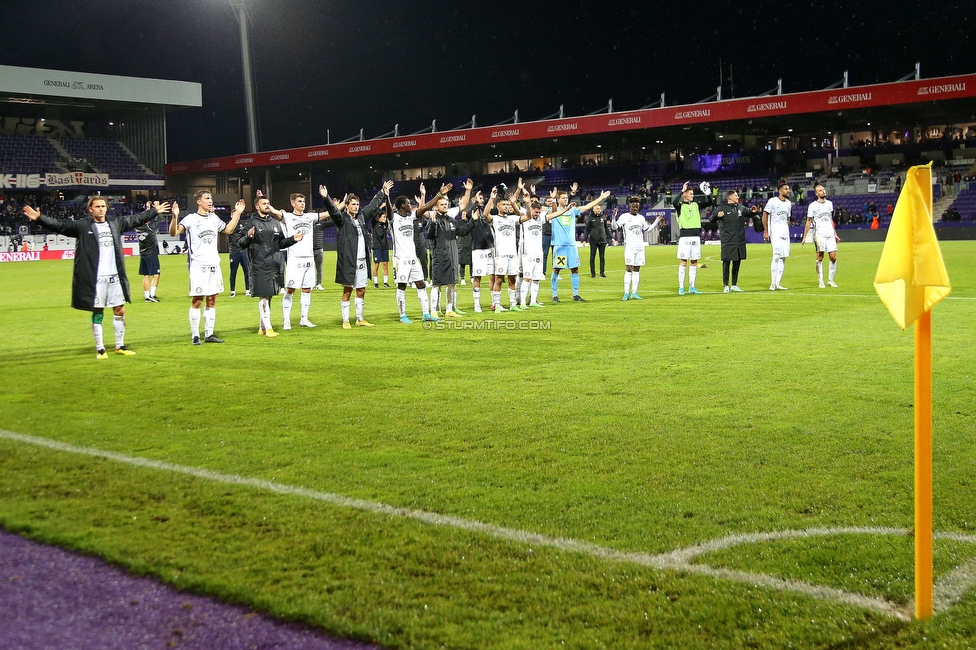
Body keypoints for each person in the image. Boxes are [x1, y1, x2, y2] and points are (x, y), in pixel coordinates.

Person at [23, 197, 170, 358]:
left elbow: (135, 219)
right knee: (98, 311)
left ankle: (120, 345)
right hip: (96, 277)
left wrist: (154, 211)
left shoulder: (115, 223)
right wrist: (40, 219)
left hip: (115, 275)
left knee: (120, 310)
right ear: (90, 209)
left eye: (103, 206)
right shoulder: (82, 225)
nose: (101, 209)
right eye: (97, 206)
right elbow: (61, 226)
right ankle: (100, 349)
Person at [169, 191, 245, 344]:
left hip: (214, 265)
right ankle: (195, 335)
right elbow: (173, 233)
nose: (210, 201)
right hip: (198, 265)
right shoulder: (190, 219)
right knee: (197, 300)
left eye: (211, 198)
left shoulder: (214, 218)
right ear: (198, 201)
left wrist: (237, 213)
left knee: (212, 299)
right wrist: (174, 217)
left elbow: (229, 230)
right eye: (207, 198)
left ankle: (209, 334)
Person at [322, 181, 392, 328]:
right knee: (347, 290)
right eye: (353, 204)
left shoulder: (361, 217)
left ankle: (360, 319)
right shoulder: (342, 220)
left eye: (357, 204)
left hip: (362, 261)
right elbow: (333, 211)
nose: (356, 207)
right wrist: (326, 198)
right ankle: (345, 320)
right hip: (348, 261)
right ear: (347, 205)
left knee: (361, 290)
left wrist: (382, 192)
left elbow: (372, 206)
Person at [239, 193, 304, 337]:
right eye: (264, 204)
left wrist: (293, 239)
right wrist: (248, 236)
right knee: (264, 295)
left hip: (274, 264)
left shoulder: (275, 223)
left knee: (269, 296)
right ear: (257, 207)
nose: (267, 206)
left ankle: (262, 327)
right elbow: (240, 243)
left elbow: (280, 243)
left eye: (268, 203)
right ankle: (268, 328)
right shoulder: (251, 223)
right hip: (259, 264)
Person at [280, 189, 335, 329]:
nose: (302, 203)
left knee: (307, 290)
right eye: (299, 201)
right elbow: (275, 213)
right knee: (290, 289)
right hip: (294, 258)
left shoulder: (309, 217)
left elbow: (329, 213)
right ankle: (286, 320)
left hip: (309, 258)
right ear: (292, 203)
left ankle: (304, 319)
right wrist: (268, 206)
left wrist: (338, 204)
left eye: (304, 201)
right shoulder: (287, 217)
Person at [420, 182, 474, 318]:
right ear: (436, 207)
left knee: (451, 283)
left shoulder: (451, 219)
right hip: (439, 256)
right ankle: (433, 310)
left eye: (446, 204)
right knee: (436, 285)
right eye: (442, 204)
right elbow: (430, 233)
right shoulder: (433, 218)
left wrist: (472, 221)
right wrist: (423, 195)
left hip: (452, 256)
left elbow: (461, 231)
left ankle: (449, 309)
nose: (445, 206)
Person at [550, 187, 610, 303]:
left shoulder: (572, 211)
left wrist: (601, 198)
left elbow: (587, 207)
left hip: (572, 246)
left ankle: (576, 294)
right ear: (558, 200)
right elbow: (553, 213)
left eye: (566, 198)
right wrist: (552, 200)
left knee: (575, 269)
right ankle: (554, 295)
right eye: (563, 198)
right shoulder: (554, 211)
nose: (565, 200)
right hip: (560, 246)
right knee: (556, 270)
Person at [388, 191, 435, 324]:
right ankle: (402, 315)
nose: (411, 205)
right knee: (402, 286)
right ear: (403, 206)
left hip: (413, 258)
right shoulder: (393, 218)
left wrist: (439, 195)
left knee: (421, 284)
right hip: (401, 259)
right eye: (408, 203)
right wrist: (386, 196)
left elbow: (425, 207)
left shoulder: (410, 217)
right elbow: (388, 210)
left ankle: (426, 314)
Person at [485, 183, 532, 312]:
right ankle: (497, 305)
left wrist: (527, 203)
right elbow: (485, 215)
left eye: (507, 205)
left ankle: (512, 304)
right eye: (504, 205)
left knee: (513, 279)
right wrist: (491, 198)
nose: (506, 206)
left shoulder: (512, 219)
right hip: (500, 254)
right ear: (498, 206)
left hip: (513, 254)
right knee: (499, 279)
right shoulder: (494, 219)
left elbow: (528, 217)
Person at [616, 200, 660, 300]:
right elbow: (615, 226)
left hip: (640, 246)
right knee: (628, 269)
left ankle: (634, 293)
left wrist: (657, 221)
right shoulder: (624, 217)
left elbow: (647, 229)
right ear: (630, 206)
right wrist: (614, 217)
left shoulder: (641, 218)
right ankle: (626, 293)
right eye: (633, 206)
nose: (635, 208)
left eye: (637, 207)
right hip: (630, 247)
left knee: (636, 269)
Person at [712, 190, 754, 292]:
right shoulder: (722, 208)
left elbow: (749, 212)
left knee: (737, 261)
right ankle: (726, 285)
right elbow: (711, 219)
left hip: (739, 240)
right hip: (727, 240)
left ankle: (734, 284)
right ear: (730, 197)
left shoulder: (740, 207)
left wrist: (754, 211)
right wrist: (717, 216)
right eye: (736, 196)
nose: (738, 197)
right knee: (726, 262)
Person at [802, 183, 840, 288]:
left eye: (823, 189)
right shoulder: (812, 206)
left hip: (830, 234)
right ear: (816, 193)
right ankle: (821, 281)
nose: (823, 191)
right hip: (820, 234)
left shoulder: (829, 204)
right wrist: (805, 236)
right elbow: (809, 221)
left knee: (833, 257)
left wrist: (835, 234)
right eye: (820, 190)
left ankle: (831, 280)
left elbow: (830, 220)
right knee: (820, 256)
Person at [672, 182, 703, 295]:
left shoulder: (695, 205)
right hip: (685, 237)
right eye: (690, 193)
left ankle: (692, 286)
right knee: (683, 261)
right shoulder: (680, 206)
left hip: (696, 236)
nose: (692, 195)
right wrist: (681, 190)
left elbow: (708, 202)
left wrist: (707, 193)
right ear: (685, 195)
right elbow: (674, 202)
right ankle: (681, 287)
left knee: (694, 262)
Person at [468, 187, 495, 313]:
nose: (481, 199)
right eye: (479, 197)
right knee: (477, 277)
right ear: (474, 199)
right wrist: (475, 202)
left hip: (490, 248)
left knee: (493, 276)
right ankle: (476, 304)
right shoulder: (471, 212)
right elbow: (468, 214)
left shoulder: (486, 212)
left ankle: (494, 302)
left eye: (482, 197)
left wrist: (491, 198)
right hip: (478, 249)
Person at [762, 182, 793, 291]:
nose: (788, 191)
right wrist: (766, 231)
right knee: (776, 256)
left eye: (788, 189)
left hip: (785, 233)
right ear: (780, 191)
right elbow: (765, 215)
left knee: (783, 258)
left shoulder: (789, 203)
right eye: (786, 189)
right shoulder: (772, 201)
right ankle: (773, 283)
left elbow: (788, 218)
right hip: (775, 233)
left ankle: (778, 283)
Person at [135, 216, 162, 303]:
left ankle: (147, 297)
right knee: (156, 275)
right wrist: (158, 211)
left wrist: (147, 209)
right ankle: (152, 295)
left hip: (143, 255)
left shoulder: (138, 228)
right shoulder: (150, 228)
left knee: (146, 275)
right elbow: (159, 219)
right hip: (152, 255)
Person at [227, 210, 251, 298]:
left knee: (247, 271)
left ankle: (248, 290)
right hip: (234, 252)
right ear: (231, 215)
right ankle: (232, 291)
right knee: (233, 272)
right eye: (234, 214)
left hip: (243, 251)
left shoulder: (243, 224)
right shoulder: (229, 226)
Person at [585, 203, 610, 278]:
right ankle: (593, 273)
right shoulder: (590, 218)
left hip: (602, 240)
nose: (599, 210)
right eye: (597, 209)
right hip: (593, 241)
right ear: (594, 210)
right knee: (592, 257)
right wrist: (584, 239)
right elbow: (587, 229)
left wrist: (611, 237)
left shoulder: (603, 217)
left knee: (602, 257)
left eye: (599, 209)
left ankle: (602, 273)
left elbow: (606, 228)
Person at [370, 206, 391, 289]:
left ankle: (385, 283)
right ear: (379, 218)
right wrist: (379, 208)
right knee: (376, 265)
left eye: (385, 217)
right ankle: (376, 283)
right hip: (377, 247)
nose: (385, 218)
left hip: (384, 247)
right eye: (383, 217)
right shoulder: (374, 223)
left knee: (385, 264)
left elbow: (390, 215)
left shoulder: (385, 224)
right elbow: (373, 216)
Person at [313, 218, 325, 291]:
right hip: (309, 250)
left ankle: (318, 284)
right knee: (309, 269)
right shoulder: (306, 225)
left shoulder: (321, 225)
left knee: (319, 267)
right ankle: (310, 284)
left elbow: (332, 222)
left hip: (319, 249)